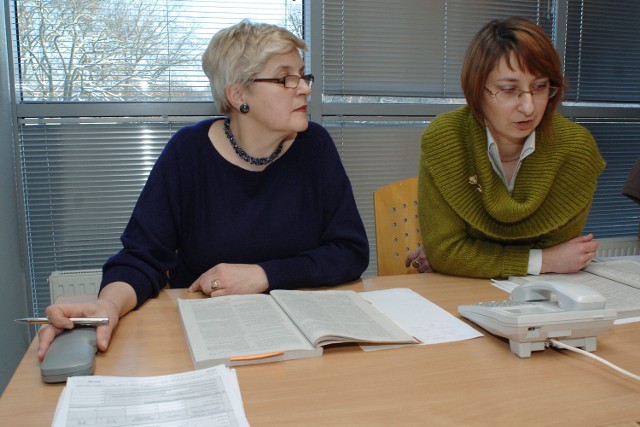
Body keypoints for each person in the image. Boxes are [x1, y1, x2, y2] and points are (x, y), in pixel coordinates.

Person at [37, 20, 369, 359]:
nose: (304, 88)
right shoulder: (188, 152)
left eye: (302, 75)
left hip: (304, 339)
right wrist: (106, 305)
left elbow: (350, 250)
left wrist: (263, 275)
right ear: (239, 95)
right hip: (212, 340)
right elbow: (142, 258)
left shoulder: (316, 146)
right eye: (286, 78)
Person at [405, 16, 605, 279]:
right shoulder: (446, 139)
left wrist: (470, 255)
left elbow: (454, 254)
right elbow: (447, 252)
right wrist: (544, 260)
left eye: (540, 87)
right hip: (462, 294)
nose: (529, 108)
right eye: (509, 90)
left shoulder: (576, 149)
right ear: (477, 90)